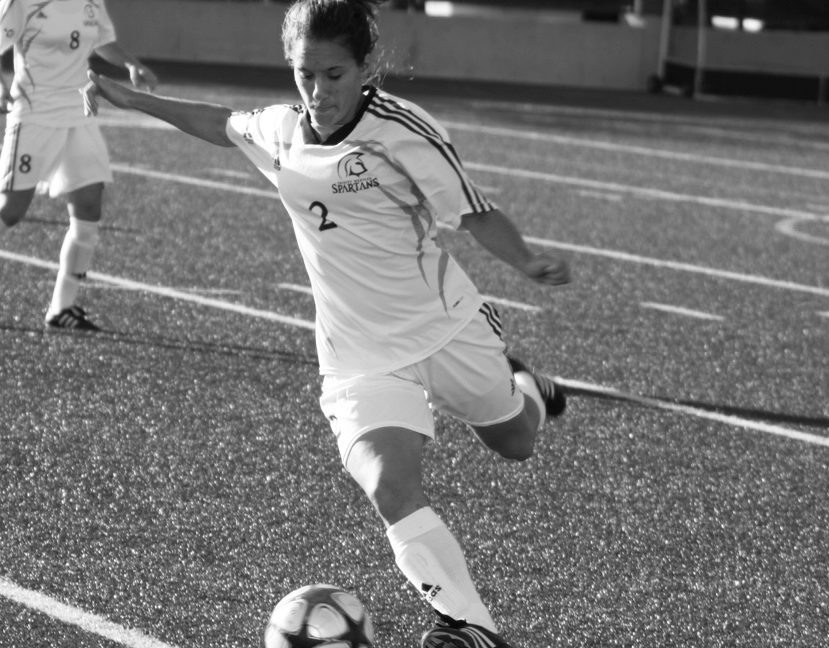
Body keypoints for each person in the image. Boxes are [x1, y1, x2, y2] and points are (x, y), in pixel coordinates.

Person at [83, 0, 570, 644]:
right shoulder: (282, 129)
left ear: (367, 66)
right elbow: (221, 123)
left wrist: (528, 260)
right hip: (358, 353)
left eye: (334, 75)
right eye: (304, 74)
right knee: (388, 483)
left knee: (516, 442)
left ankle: (530, 388)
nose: (317, 92)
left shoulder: (403, 131)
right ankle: (472, 628)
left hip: (445, 327)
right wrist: (132, 100)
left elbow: (475, 213)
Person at [0, 0, 157, 330]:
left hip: (80, 112)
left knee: (89, 207)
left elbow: (102, 41)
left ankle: (62, 306)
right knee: (10, 211)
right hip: (34, 114)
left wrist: (131, 64)